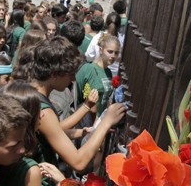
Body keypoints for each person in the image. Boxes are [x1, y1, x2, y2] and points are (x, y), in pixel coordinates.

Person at [29, 37, 125, 174]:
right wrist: (106, 122)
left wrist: (83, 132)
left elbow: (53, 130)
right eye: (71, 74)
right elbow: (78, 162)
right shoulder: (44, 110)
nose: (74, 79)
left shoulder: (31, 93)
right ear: (55, 74)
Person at [77, 34, 121, 114]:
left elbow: (106, 99)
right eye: (110, 52)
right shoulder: (89, 69)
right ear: (101, 50)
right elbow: (78, 96)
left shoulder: (108, 72)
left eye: (116, 53)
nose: (113, 56)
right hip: (86, 121)